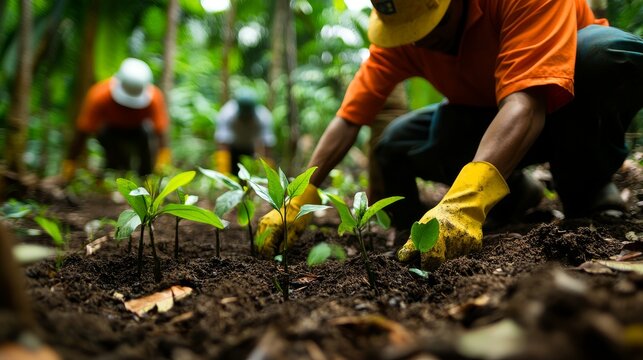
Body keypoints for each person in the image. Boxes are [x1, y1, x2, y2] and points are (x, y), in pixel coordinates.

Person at [256, 0, 643, 270]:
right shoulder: (404, 33)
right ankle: (506, 200)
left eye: (430, 26)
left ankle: (587, 188)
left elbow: (527, 101)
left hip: (563, 103)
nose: (421, 39)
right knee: (397, 142)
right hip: (488, 119)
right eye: (410, 32)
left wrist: (465, 203)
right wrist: (297, 197)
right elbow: (348, 120)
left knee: (604, 55)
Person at [61, 58, 171, 181]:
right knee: (113, 155)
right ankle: (113, 175)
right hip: (110, 131)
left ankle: (145, 180)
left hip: (138, 131)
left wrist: (163, 163)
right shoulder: (99, 95)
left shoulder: (154, 98)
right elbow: (82, 132)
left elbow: (161, 133)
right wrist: (70, 164)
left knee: (147, 136)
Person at [212, 88, 276, 175]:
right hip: (232, 148)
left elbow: (267, 148)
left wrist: (267, 175)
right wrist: (223, 172)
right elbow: (222, 144)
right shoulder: (227, 113)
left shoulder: (263, 117)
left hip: (251, 150)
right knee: (233, 175)